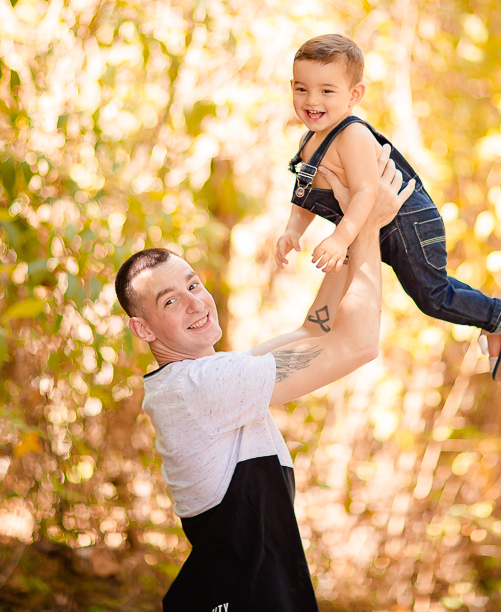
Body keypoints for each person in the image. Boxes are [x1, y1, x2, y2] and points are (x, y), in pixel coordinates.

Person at [117, 146, 414, 611]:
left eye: (193, 284)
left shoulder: (195, 379)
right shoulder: (204, 386)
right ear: (144, 328)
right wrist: (370, 225)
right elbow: (358, 345)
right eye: (170, 301)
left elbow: (313, 331)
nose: (196, 303)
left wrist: (348, 229)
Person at [274, 33, 501, 381]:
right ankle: (494, 323)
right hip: (384, 228)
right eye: (301, 89)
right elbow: (306, 190)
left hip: (409, 222)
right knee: (435, 287)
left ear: (355, 95)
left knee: (431, 295)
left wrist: (341, 239)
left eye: (327, 91)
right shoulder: (310, 139)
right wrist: (293, 229)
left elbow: (366, 194)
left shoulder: (351, 136)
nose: (312, 100)